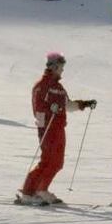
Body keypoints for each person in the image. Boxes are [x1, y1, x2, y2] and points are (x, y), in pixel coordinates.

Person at [18, 52, 96, 205]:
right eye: (60, 67)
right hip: (48, 128)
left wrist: (84, 104)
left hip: (59, 127)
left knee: (57, 162)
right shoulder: (42, 86)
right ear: (53, 67)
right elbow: (38, 107)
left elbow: (67, 105)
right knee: (47, 160)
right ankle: (27, 193)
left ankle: (42, 189)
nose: (62, 70)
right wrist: (45, 121)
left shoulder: (58, 88)